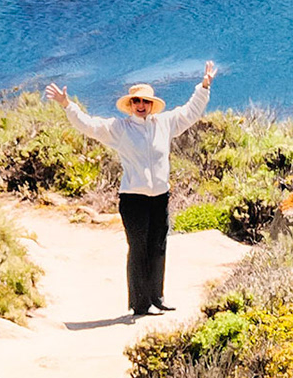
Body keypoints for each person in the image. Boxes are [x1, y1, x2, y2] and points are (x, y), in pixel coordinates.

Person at [44, 61, 216, 316]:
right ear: (131, 104)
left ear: (152, 104)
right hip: (133, 199)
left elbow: (190, 112)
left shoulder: (165, 124)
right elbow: (90, 126)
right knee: (138, 249)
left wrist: (204, 86)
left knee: (158, 246)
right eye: (136, 101)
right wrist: (67, 105)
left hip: (159, 197)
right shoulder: (120, 129)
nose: (140, 105)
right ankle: (139, 303)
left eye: (145, 101)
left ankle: (157, 297)